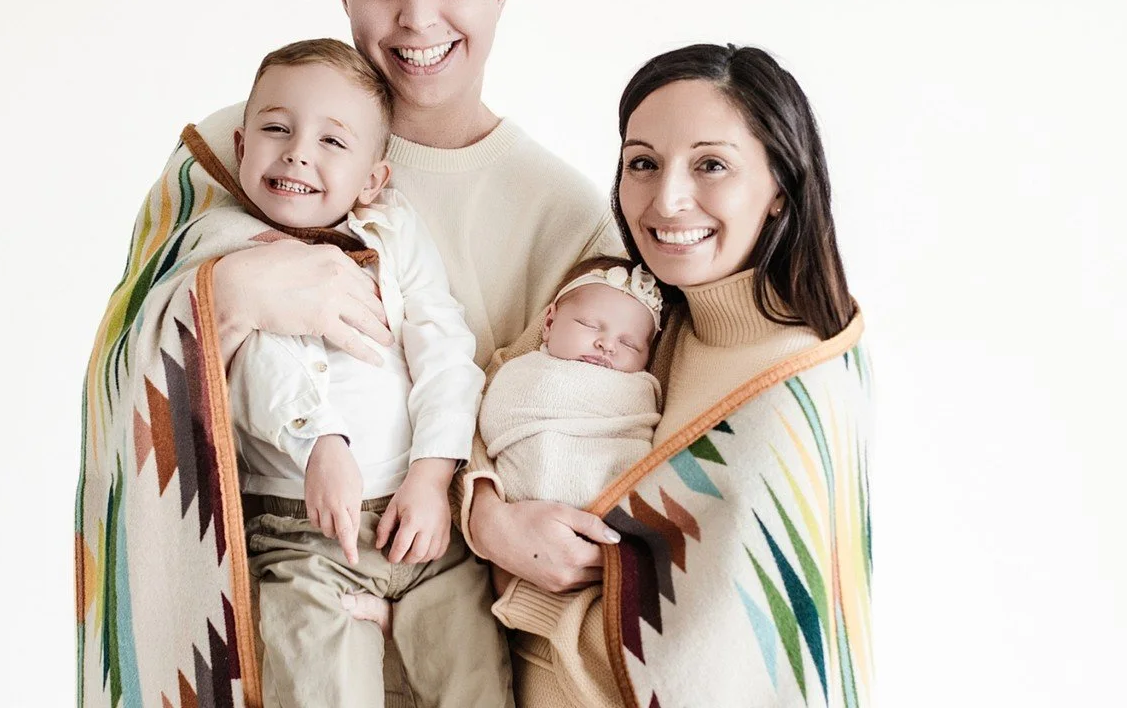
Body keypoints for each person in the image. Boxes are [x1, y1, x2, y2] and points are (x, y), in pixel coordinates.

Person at [76, 0, 620, 707]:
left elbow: (576, 430)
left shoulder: (568, 213)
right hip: (280, 630)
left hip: (464, 636)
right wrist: (227, 296)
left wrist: (466, 498)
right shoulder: (238, 150)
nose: (418, 17)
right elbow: (119, 369)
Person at [461, 44, 873, 707]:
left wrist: (536, 603)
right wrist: (486, 517)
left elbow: (713, 665)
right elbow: (501, 386)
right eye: (642, 164)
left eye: (711, 165)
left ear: (779, 187)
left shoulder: (798, 387)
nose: (668, 199)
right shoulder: (644, 317)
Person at [220, 37, 511, 707]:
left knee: (472, 676)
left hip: (418, 520)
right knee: (317, 678)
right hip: (299, 532)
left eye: (332, 141)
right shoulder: (234, 246)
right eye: (276, 129)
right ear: (241, 146)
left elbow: (442, 347)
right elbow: (256, 365)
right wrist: (321, 440)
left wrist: (433, 474)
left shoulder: (392, 233)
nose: (297, 152)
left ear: (373, 179)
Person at [477, 256, 662, 511]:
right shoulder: (522, 370)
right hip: (524, 505)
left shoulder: (637, 387)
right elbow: (488, 422)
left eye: (629, 344)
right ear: (550, 323)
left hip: (616, 503)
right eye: (590, 326)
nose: (607, 345)